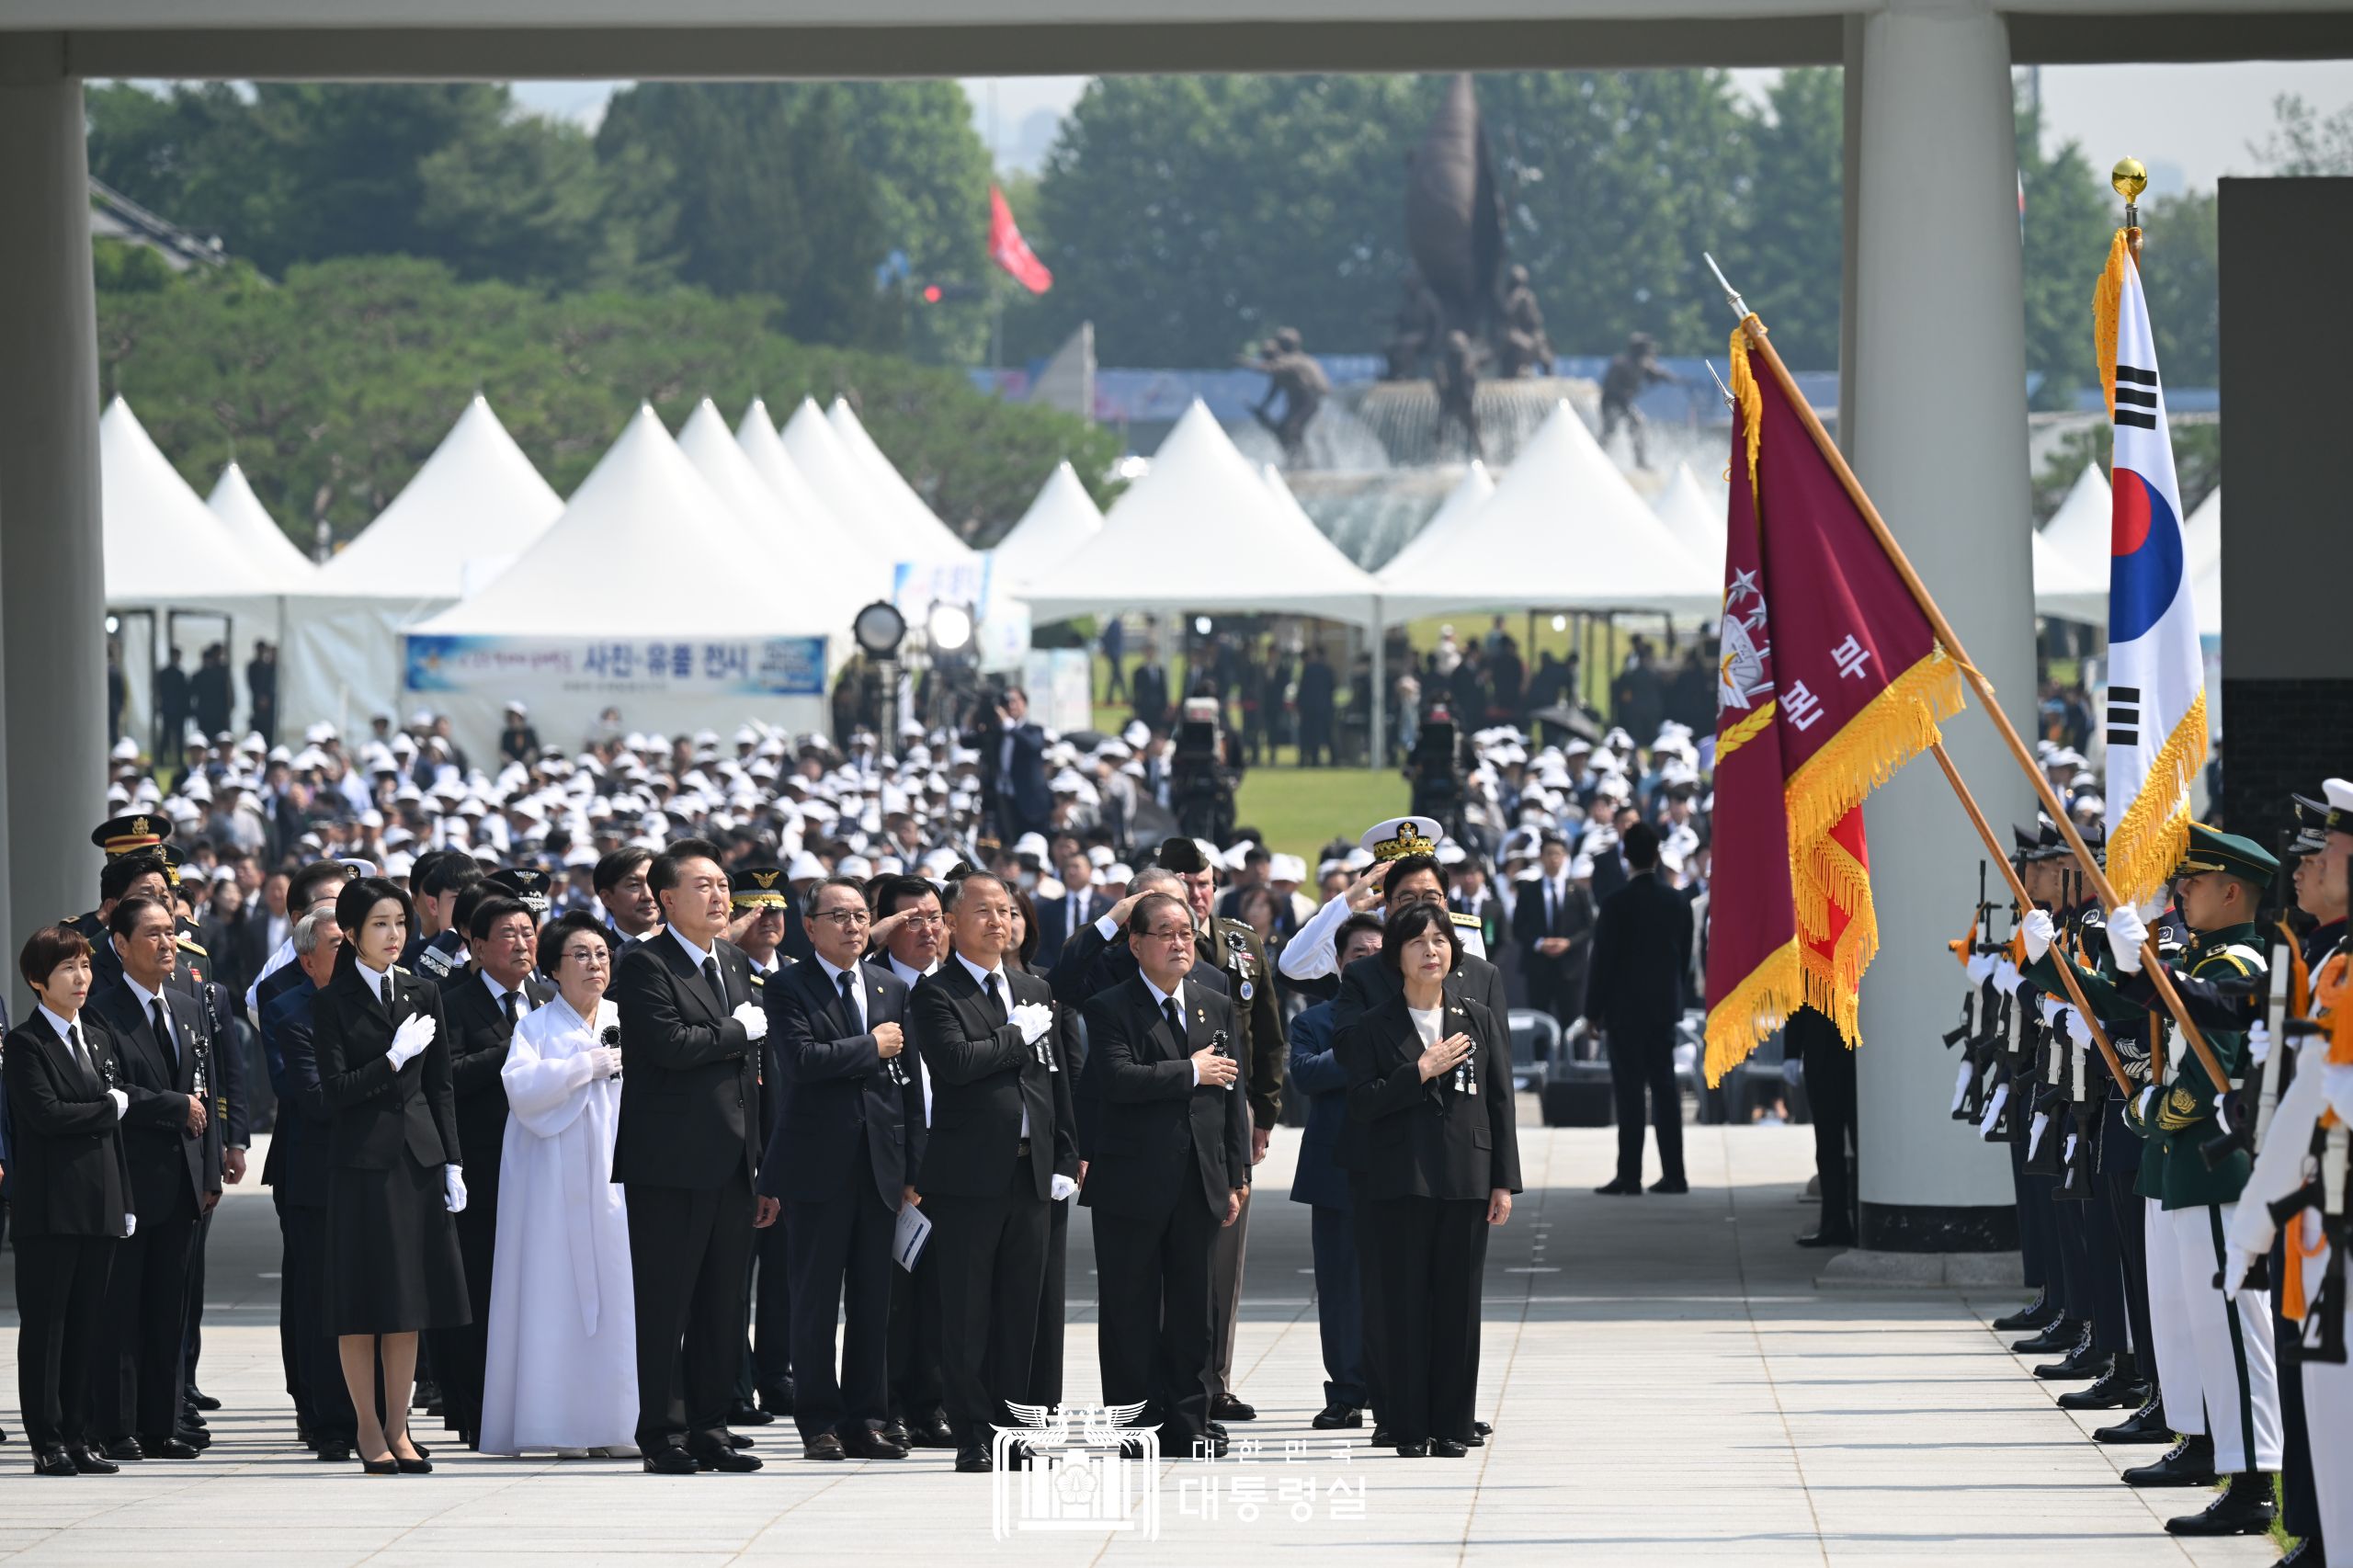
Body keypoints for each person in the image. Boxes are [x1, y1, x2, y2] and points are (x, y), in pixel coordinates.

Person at [2024, 824, 2285, 1535]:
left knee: (2232, 1329)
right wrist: (2052, 966)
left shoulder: (2238, 964)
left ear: (2233, 891)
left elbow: (2214, 1068)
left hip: (2213, 1167)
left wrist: (2153, 1110)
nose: (2181, 893)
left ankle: (2254, 1480)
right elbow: (2121, 1006)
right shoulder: (2203, 957)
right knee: (2185, 1323)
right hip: (2177, 1170)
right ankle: (2202, 1443)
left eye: (2194, 883)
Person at [1335, 903, 1519, 1457]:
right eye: (1418, 942)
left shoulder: (1476, 1017)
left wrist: (1503, 1181)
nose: (1431, 950)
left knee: (1459, 1309)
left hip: (1466, 1177)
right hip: (1398, 1180)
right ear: (1398, 956)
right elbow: (1362, 1104)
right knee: (1404, 1306)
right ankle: (1409, 1426)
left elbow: (1501, 1101)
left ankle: (1454, 1424)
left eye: (1440, 941)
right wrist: (1418, 1071)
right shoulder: (1373, 1026)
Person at [908, 871, 1078, 1473]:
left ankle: (1019, 1428)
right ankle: (973, 1432)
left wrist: (1063, 1155)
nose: (997, 921)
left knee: (1021, 1311)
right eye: (982, 911)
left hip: (1031, 1176)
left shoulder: (1033, 987)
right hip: (968, 1179)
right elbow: (956, 1064)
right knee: (967, 1312)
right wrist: (1013, 1037)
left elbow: (1054, 1080)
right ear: (951, 924)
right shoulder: (937, 993)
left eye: (1005, 911)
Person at [610, 836, 767, 1475]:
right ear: (667, 898)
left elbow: (750, 1075)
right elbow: (672, 1044)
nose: (719, 895)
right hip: (669, 1163)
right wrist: (736, 1031)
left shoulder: (731, 960)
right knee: (667, 1303)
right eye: (703, 886)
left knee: (721, 1304)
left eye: (722, 885)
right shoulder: (644, 963)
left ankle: (710, 1426)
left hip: (732, 1162)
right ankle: (663, 1433)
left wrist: (762, 1165)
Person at [756, 875, 923, 1461]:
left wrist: (912, 1168)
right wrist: (869, 1047)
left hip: (880, 1166)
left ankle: (867, 1418)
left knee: (875, 1301)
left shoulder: (888, 987)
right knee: (815, 1301)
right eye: (839, 917)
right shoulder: (786, 987)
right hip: (816, 1168)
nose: (853, 926)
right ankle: (819, 1419)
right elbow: (800, 1062)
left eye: (860, 916)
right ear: (810, 928)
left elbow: (908, 1088)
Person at [1081, 890, 1249, 1456]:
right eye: (1167, 933)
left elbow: (1232, 1089)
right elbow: (1118, 1079)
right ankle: (1135, 1426)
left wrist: (1236, 1171)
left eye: (1187, 932)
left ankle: (1189, 1420)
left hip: (1199, 1176)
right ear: (1136, 944)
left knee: (1193, 1307)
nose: (1181, 943)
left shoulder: (1214, 1001)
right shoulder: (1109, 1007)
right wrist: (1189, 1071)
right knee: (1129, 1308)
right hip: (1131, 1182)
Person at [313, 876, 470, 1475]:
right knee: (362, 1304)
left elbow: (441, 1086)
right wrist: (390, 1060)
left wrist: (453, 1159)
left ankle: (400, 1429)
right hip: (361, 1165)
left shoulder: (422, 990)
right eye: (380, 924)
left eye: (400, 924)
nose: (394, 935)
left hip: (417, 1160)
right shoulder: (331, 1000)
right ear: (350, 934)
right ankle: (367, 1427)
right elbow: (332, 1093)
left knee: (408, 1303)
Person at [479, 912, 636, 1458]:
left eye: (602, 954)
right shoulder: (537, 1026)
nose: (595, 965)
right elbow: (520, 1089)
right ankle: (558, 1424)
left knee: (620, 1289)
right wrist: (580, 1067)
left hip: (617, 1177)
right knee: (552, 1289)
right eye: (582, 955)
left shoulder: (624, 1016)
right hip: (550, 1179)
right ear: (553, 968)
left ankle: (619, 1423)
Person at [86, 896, 219, 1460]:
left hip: (185, 1180)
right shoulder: (100, 1011)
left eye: (172, 933)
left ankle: (162, 1424)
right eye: (153, 935)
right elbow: (108, 1091)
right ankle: (116, 1427)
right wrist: (173, 1105)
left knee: (171, 1308)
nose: (168, 944)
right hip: (130, 1177)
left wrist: (210, 1171)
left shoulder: (187, 1005)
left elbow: (208, 1092)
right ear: (120, 945)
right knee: (123, 1309)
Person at [7, 925, 135, 1476]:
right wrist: (110, 1106)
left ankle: (81, 1434)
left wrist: (124, 1196)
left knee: (89, 1323)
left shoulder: (98, 1037)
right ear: (39, 981)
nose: (81, 977)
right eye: (66, 968)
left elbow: (115, 1130)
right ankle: (48, 1438)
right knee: (48, 1327)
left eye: (84, 965)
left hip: (101, 1201)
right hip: (50, 1208)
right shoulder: (24, 1044)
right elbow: (46, 1116)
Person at [431, 892, 552, 1449]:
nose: (523, 942)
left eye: (529, 931)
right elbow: (445, 1078)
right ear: (477, 946)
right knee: (477, 1291)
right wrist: (515, 1053)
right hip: (482, 1170)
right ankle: (473, 1410)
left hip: (546, 1170)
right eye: (508, 934)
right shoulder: (447, 1002)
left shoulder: (552, 999)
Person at [258, 905, 359, 1461]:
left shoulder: (372, 1001)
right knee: (317, 1299)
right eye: (334, 945)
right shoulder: (286, 1010)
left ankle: (372, 1414)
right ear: (306, 957)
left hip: (368, 1172)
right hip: (311, 1174)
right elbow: (307, 1093)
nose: (346, 953)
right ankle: (324, 1417)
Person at [1288, 913, 1385, 1432]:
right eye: (1357, 957)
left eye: (1377, 953)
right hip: (1335, 1171)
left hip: (1397, 1167)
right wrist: (1364, 1051)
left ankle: (1393, 1384)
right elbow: (1303, 1073)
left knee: (1397, 1283)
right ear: (1340, 965)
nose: (1367, 964)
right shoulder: (1315, 1019)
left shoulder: (1414, 1015)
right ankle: (1346, 1390)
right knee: (1341, 1286)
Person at [1583, 822, 1693, 1196]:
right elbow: (1684, 960)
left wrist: (1592, 1012)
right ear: (1657, 854)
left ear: (1625, 856)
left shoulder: (1615, 904)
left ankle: (1629, 1175)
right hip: (1662, 1008)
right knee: (1665, 1090)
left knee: (1629, 1091)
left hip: (1624, 1012)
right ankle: (1675, 1174)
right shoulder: (1677, 902)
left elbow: (1602, 962)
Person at [1514, 833, 1595, 1032]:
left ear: (1565, 856)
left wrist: (1569, 943)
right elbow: (1518, 927)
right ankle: (1541, 1062)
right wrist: (1540, 943)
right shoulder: (1529, 891)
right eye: (1549, 853)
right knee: (1539, 1022)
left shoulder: (1578, 890)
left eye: (1558, 853)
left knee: (1573, 1022)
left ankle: (1573, 1062)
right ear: (1541, 857)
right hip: (1539, 967)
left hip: (1571, 968)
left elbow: (1589, 927)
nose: (1553, 858)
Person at [975, 687, 1051, 846]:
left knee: (1031, 842)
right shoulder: (998, 732)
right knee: (1007, 843)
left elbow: (1033, 745)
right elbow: (968, 741)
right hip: (1003, 798)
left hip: (1029, 803)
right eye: (1007, 702)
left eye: (1015, 701)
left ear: (1025, 704)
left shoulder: (1033, 730)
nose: (1011, 705)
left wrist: (1009, 726)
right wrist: (976, 712)